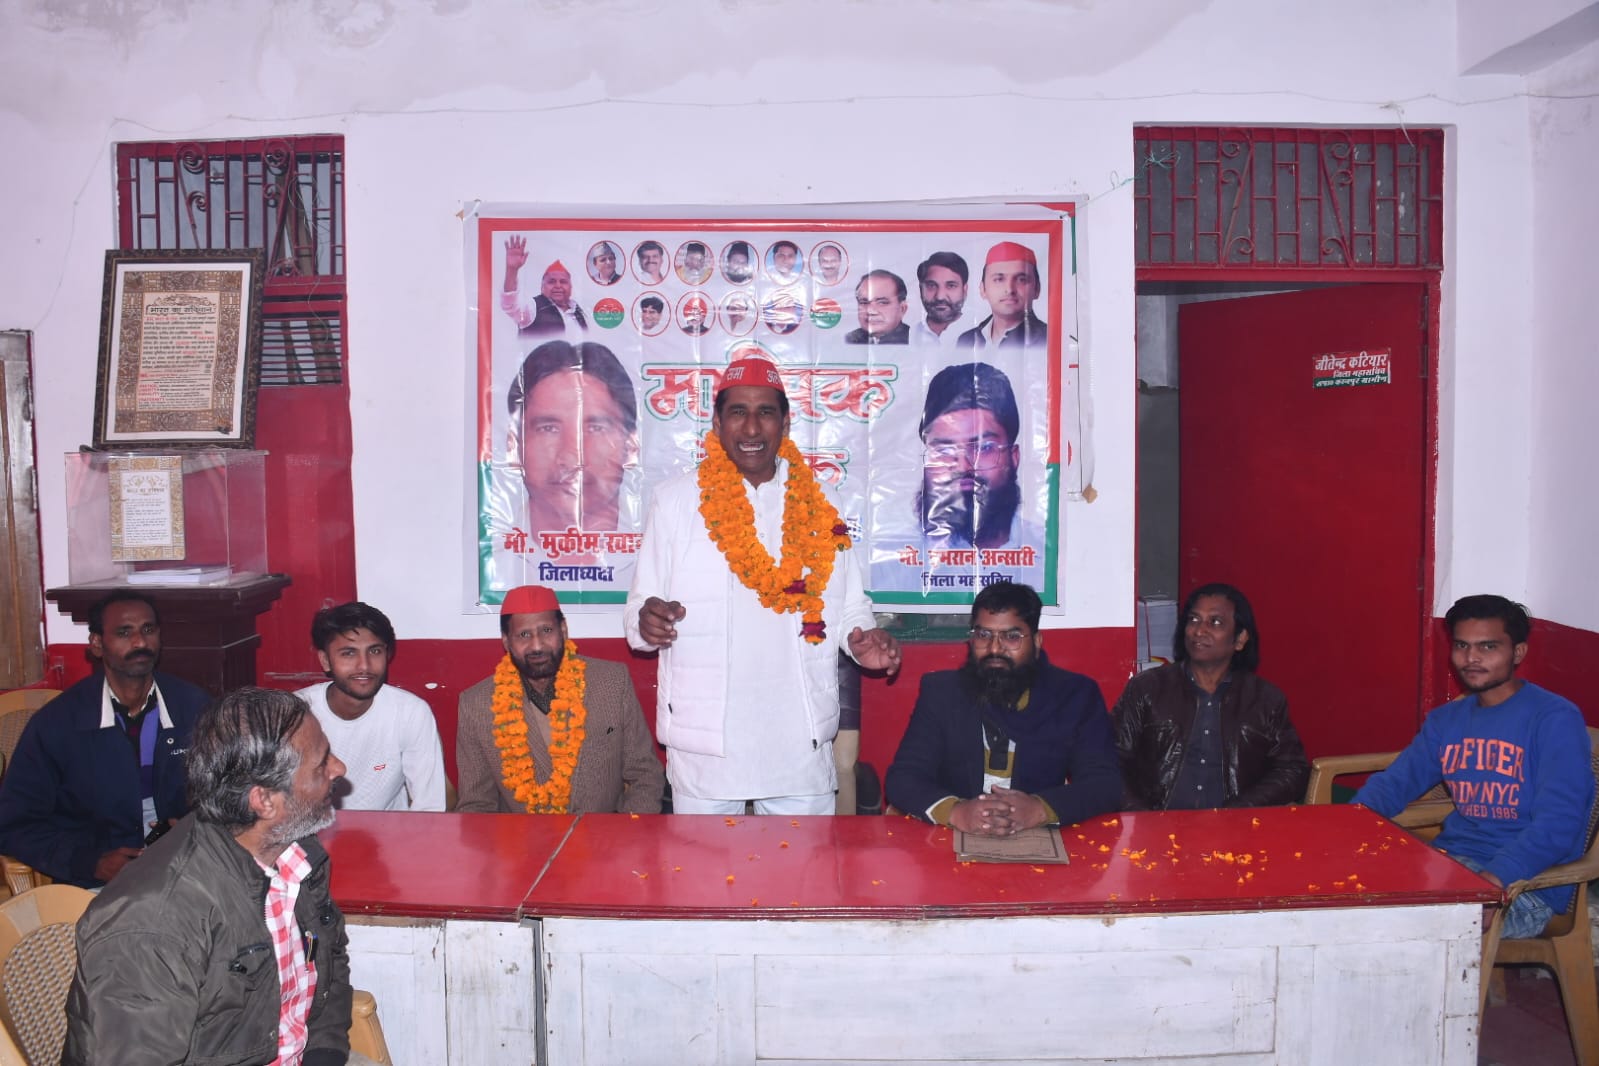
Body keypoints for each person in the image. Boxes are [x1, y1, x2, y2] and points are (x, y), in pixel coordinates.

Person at [625, 357, 902, 815]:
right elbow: (639, 608)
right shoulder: (674, 502)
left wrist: (862, 641)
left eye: (765, 413)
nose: (752, 428)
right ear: (717, 424)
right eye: (738, 412)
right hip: (707, 747)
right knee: (703, 863)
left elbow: (850, 605)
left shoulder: (822, 501)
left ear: (785, 423)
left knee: (804, 862)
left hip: (799, 742)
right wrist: (646, 622)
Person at [64, 687, 371, 1066]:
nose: (339, 768)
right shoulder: (153, 924)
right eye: (321, 764)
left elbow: (330, 958)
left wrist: (323, 1053)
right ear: (264, 801)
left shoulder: (295, 853)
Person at [1352, 595, 1595, 939]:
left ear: (1518, 652)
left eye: (1488, 647)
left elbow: (1559, 824)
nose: (1471, 658)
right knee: (1344, 898)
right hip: (1449, 865)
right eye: (1462, 645)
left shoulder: (1554, 719)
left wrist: (1493, 881)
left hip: (1524, 887)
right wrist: (1346, 826)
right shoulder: (1446, 720)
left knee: (1398, 928)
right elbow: (1395, 784)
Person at [0, 591, 209, 887]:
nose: (140, 642)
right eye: (124, 632)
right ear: (97, 644)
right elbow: (14, 825)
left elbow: (231, 796)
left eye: (148, 629)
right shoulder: (57, 724)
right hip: (95, 881)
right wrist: (92, 863)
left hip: (185, 870)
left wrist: (193, 828)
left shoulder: (194, 707)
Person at [885, 581, 1120, 833]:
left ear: (1037, 641)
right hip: (952, 834)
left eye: (1011, 637)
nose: (995, 648)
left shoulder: (1075, 696)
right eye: (983, 635)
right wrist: (956, 812)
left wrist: (1040, 809)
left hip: (1038, 833)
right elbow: (904, 778)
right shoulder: (943, 693)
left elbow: (1105, 783)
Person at [457, 585, 664, 813]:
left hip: (604, 832)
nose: (537, 646)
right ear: (506, 642)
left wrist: (627, 831)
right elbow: (476, 805)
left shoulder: (612, 683)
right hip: (521, 835)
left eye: (546, 630)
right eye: (524, 635)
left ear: (563, 630)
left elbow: (645, 775)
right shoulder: (476, 705)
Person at [1112, 583, 1308, 810]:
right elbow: (1109, 760)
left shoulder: (1265, 699)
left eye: (1215, 622)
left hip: (1236, 826)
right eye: (1194, 619)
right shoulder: (1146, 689)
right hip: (1157, 823)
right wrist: (1141, 816)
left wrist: (1241, 809)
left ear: (1240, 639)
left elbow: (1292, 769)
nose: (1199, 631)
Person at [297, 601, 447, 812]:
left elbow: (429, 806)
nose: (364, 666)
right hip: (314, 830)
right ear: (325, 661)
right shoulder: (296, 714)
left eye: (375, 651)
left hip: (389, 832)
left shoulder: (410, 712)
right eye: (349, 653)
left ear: (387, 655)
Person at [508, 339, 640, 534]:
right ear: (515, 446)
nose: (572, 459)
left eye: (596, 428)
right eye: (548, 429)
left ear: (631, 446)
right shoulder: (492, 547)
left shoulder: (666, 538)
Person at [917, 362, 1032, 550]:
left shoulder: (1047, 550)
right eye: (944, 451)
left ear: (1014, 458)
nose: (964, 467)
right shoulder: (893, 556)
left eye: (983, 448)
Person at [957, 241, 1047, 351]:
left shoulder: (1050, 340)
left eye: (1021, 280)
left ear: (1037, 289)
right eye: (999, 279)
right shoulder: (966, 341)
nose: (1009, 289)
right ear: (983, 289)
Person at [500, 237, 588, 342]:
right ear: (542, 287)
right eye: (551, 281)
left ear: (570, 287)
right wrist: (512, 270)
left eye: (563, 281)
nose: (558, 285)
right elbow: (510, 305)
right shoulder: (533, 308)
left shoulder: (579, 313)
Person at [913, 251, 970, 347]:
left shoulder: (977, 334)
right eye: (931, 286)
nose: (940, 296)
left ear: (964, 290)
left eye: (951, 286)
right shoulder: (910, 336)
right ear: (921, 289)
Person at [844, 269, 910, 345]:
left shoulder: (914, 339)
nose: (870, 311)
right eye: (864, 302)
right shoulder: (849, 339)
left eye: (882, 303)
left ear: (902, 309)